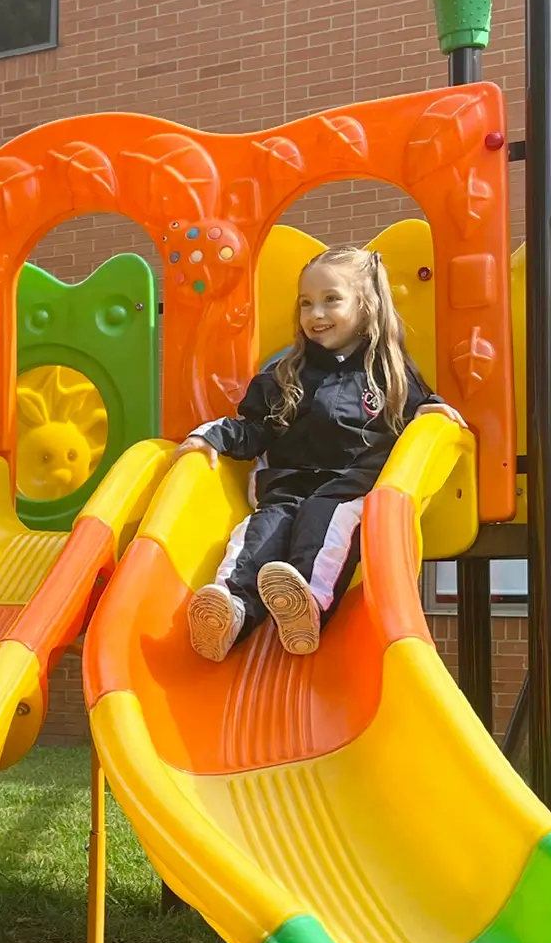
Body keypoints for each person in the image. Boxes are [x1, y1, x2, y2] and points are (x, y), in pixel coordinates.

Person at [177, 246, 467, 661]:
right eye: (306, 304)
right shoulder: (285, 374)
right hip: (287, 484)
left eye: (332, 300)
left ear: (366, 307)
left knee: (324, 521)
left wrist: (428, 410)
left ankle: (307, 604)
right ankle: (231, 610)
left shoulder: (387, 374)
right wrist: (212, 436)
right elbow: (255, 428)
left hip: (348, 485)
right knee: (261, 534)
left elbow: (414, 412)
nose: (316, 314)